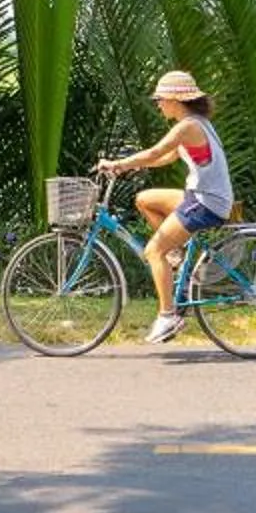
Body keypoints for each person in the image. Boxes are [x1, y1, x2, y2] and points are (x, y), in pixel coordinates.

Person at [94, 69, 236, 344]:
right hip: (202, 195)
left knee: (152, 250)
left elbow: (155, 152)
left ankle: (168, 315)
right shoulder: (195, 124)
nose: (158, 103)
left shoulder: (188, 126)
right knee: (144, 199)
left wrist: (117, 164)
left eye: (161, 99)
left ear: (175, 99)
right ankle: (176, 256)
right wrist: (131, 167)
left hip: (206, 202)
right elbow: (166, 157)